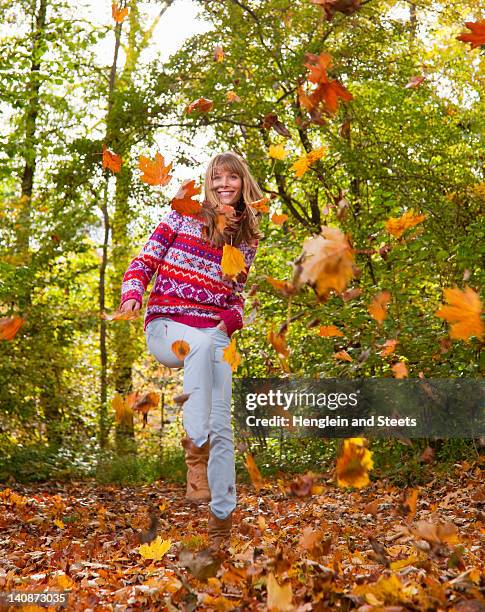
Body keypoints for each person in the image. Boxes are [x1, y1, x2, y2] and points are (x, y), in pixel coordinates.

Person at [119, 151, 263, 550]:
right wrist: (133, 293)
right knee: (199, 346)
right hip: (167, 326)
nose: (224, 184)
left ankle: (220, 525)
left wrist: (229, 322)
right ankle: (194, 452)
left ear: (242, 183)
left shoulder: (247, 236)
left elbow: (237, 294)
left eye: (232, 178)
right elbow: (144, 260)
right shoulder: (183, 214)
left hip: (213, 335)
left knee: (223, 428)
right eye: (217, 177)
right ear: (207, 181)